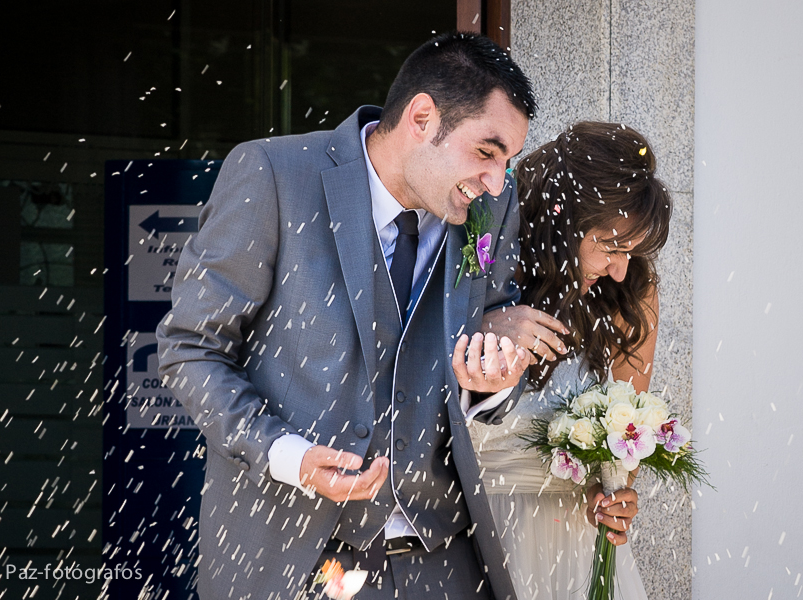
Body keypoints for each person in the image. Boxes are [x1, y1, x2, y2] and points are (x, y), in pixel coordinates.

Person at [157, 32, 539, 600]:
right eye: (486, 151)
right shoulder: (274, 175)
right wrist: (288, 455)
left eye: (508, 160)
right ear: (422, 117)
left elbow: (493, 316)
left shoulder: (491, 205)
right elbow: (191, 347)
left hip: (444, 561)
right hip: (290, 560)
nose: (497, 180)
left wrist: (492, 385)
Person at [469, 122, 672, 599]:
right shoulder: (480, 262)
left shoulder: (630, 293)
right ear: (565, 224)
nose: (621, 268)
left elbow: (623, 436)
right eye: (611, 246)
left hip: (572, 548)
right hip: (474, 534)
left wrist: (611, 497)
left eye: (632, 251)